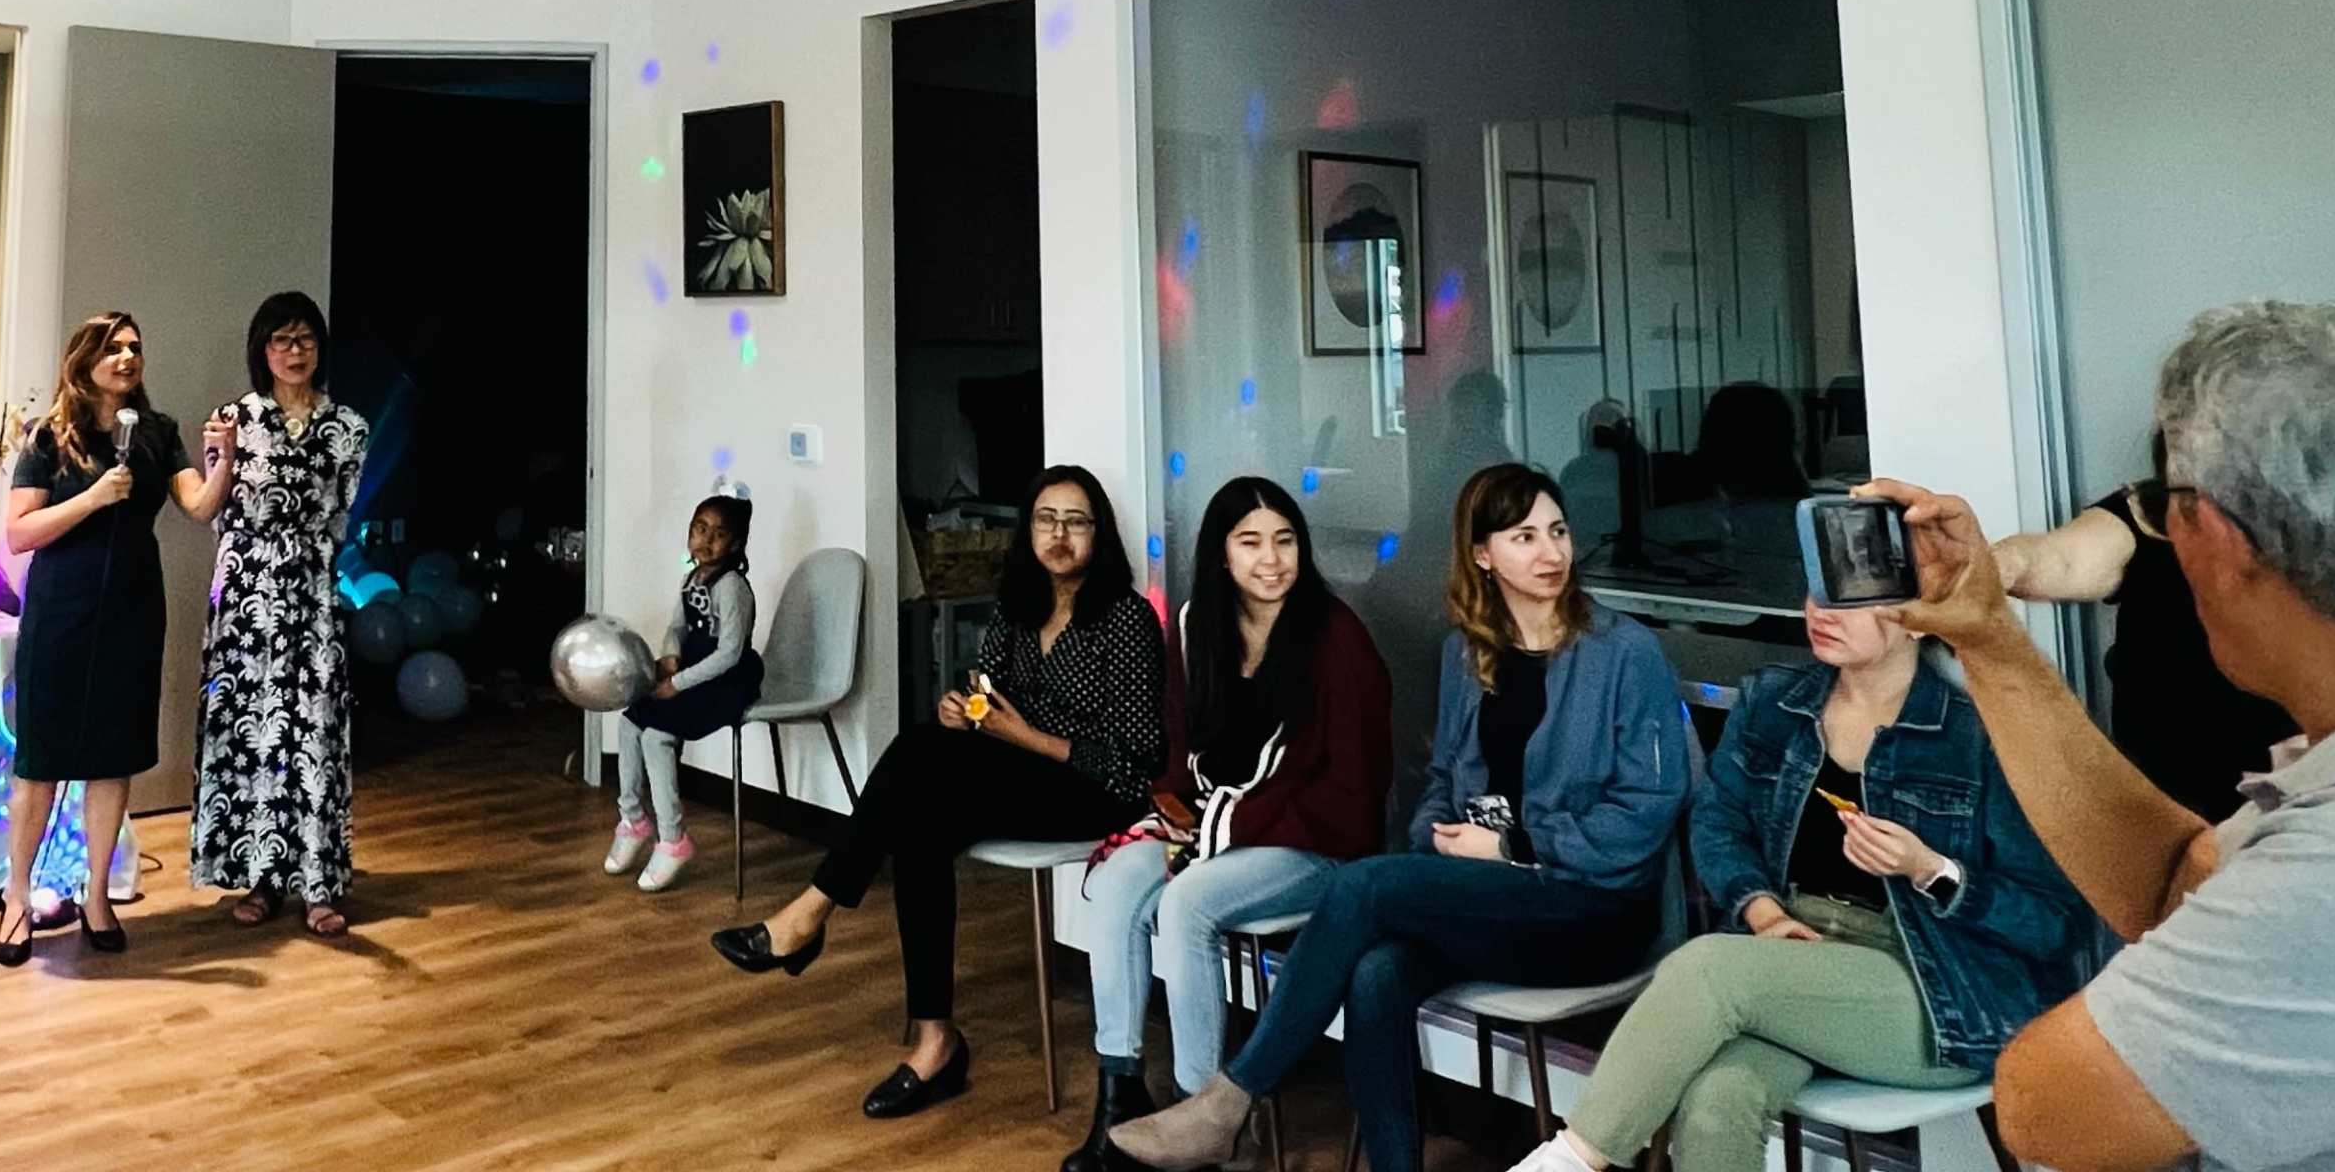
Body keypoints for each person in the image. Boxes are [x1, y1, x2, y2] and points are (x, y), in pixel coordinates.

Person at [1865, 300, 2335, 1171]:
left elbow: (2048, 1111)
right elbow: (2177, 882)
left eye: (2165, 505)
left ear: (2221, 543)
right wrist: (1991, 639)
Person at [1112, 463, 1692, 1172]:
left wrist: (1509, 845)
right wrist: (1437, 842)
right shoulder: (1467, 651)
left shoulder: (1625, 652)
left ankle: (1227, 1103)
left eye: (1559, 532)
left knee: (1363, 885)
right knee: (1376, 973)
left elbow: (1645, 814)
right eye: (1525, 536)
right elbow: (1443, 782)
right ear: (1483, 555)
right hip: (1501, 900)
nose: (1551, 552)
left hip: (1597, 908)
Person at [1497, 599, 2094, 1172]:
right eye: (1816, 590)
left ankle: (1570, 1162)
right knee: (1715, 1102)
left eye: (1848, 600)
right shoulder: (1775, 702)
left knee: (1708, 967)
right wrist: (1763, 912)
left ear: (1918, 620)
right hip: (1790, 960)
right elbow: (1717, 823)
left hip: (1937, 993)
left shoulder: (1976, 735)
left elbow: (2054, 923)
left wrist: (1930, 870)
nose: (1820, 612)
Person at [713, 466, 1164, 1121]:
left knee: (917, 763)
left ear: (1100, 534)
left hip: (1092, 791)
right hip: (1014, 774)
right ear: (1029, 530)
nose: (1059, 535)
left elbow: (1137, 762)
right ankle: (935, 1041)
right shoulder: (1018, 605)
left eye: (1076, 522)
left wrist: (1026, 736)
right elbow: (988, 694)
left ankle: (811, 914)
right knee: (921, 813)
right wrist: (966, 710)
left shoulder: (1125, 619)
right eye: (1046, 520)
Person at [1063, 474, 1390, 1172]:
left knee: (1188, 902)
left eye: (1285, 541)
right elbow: (1179, 752)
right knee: (1116, 881)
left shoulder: (1335, 638)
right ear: (1221, 553)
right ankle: (1119, 1094)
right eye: (1250, 542)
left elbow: (1350, 797)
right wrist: (1179, 819)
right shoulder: (1196, 626)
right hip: (1222, 826)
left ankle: (1205, 1122)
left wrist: (1222, 831)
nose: (1271, 560)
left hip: (1317, 843)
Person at [0, 313, 232, 964]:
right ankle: (17, 899)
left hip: (132, 607)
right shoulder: (49, 436)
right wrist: (94, 497)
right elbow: (20, 532)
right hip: (61, 609)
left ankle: (97, 894)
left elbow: (200, 507)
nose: (128, 357)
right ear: (84, 360)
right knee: (41, 761)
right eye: (113, 348)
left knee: (111, 758)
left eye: (135, 348)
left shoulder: (156, 433)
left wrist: (223, 460)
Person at [1986, 431, 2299, 821]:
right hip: (2161, 813)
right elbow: (2062, 560)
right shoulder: (2149, 511)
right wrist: (1993, 565)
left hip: (2288, 813)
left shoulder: (2324, 531)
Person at [190, 293, 372, 939]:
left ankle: (319, 883)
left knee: (313, 732)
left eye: (305, 339)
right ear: (261, 349)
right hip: (245, 596)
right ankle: (260, 877)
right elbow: (213, 505)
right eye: (281, 340)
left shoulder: (349, 428)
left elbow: (342, 515)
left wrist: (310, 563)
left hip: (312, 591)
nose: (295, 352)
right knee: (253, 735)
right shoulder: (233, 420)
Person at [602, 495, 761, 893]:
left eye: (718, 534)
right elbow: (677, 626)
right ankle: (633, 820)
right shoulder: (691, 579)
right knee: (630, 722)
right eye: (700, 529)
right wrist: (671, 655)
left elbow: (730, 653)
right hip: (691, 673)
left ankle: (673, 839)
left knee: (657, 737)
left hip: (727, 682)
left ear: (735, 544)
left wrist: (679, 683)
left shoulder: (732, 587)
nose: (706, 540)